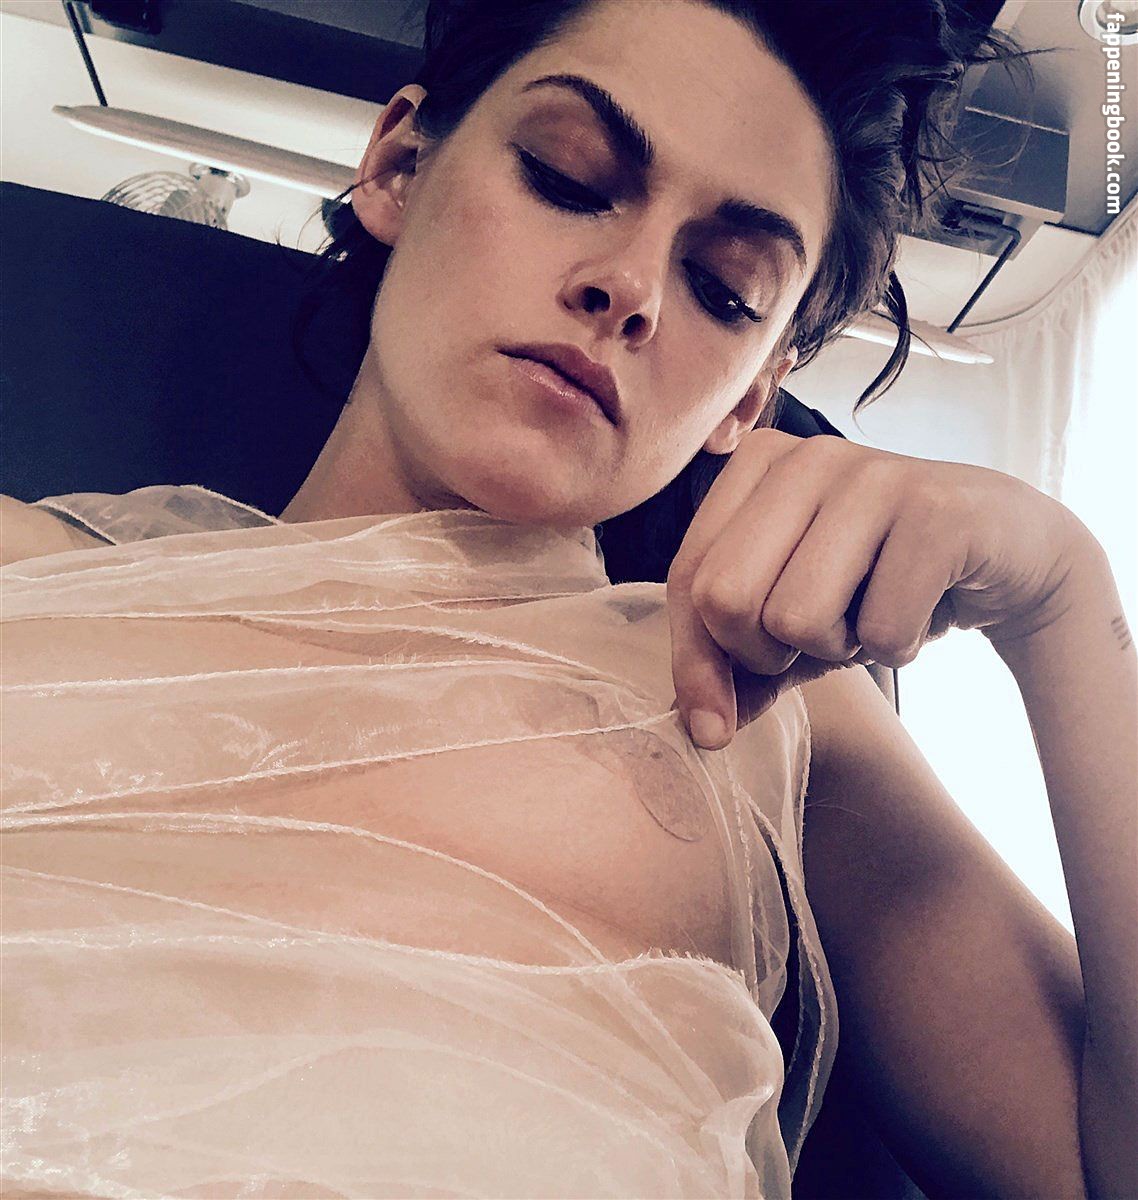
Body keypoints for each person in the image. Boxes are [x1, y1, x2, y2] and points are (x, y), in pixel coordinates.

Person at [2, 2, 1134, 1198]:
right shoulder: (25, 569)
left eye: (724, 288)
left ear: (749, 399)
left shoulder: (761, 712)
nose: (630, 288)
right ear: (398, 165)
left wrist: (1063, 608)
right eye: (566, 178)